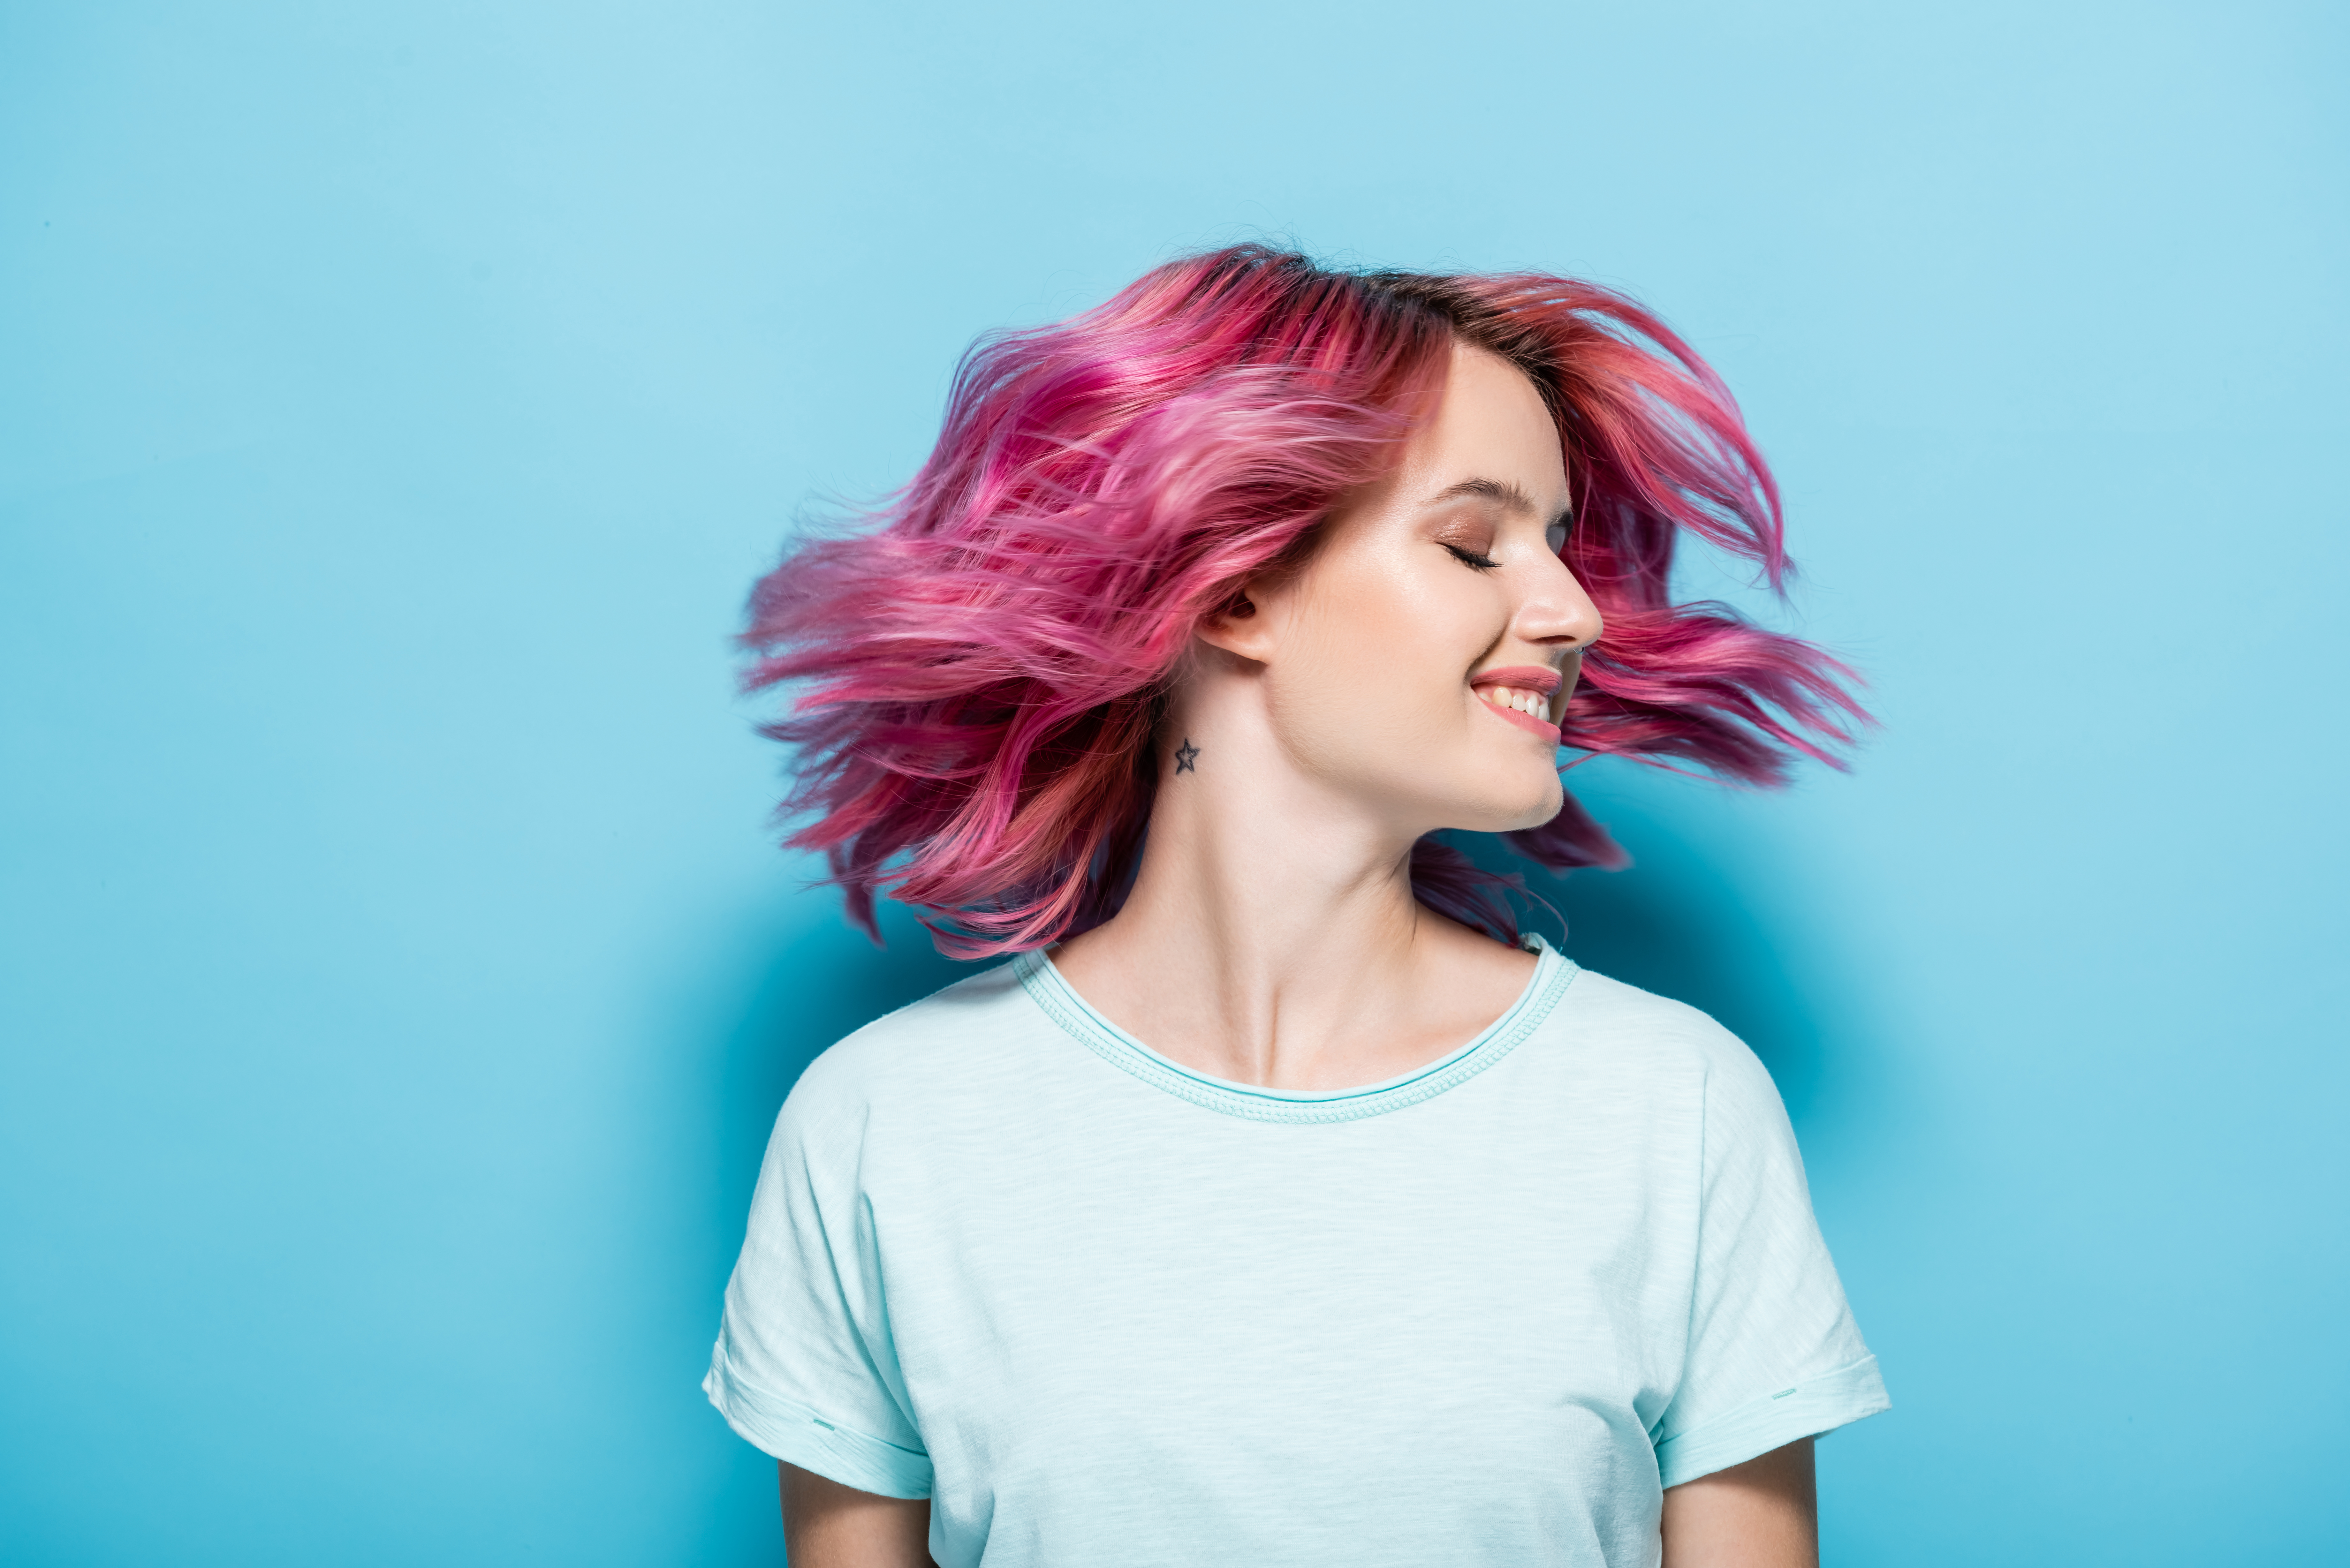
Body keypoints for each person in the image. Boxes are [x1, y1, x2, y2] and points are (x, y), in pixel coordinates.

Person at [706, 245, 1888, 1567]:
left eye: (1557, 547)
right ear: (1236, 590)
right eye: (1473, 544)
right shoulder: (886, 1126)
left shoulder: (1675, 1109)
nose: (1573, 613)